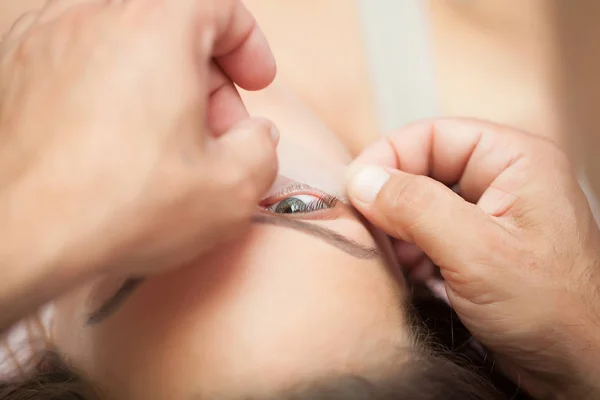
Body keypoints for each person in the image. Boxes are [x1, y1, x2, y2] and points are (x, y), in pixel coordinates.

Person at [0, 2, 599, 400]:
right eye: (294, 207)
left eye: (140, 257)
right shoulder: (513, 78)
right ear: (408, 255)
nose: (206, 171)